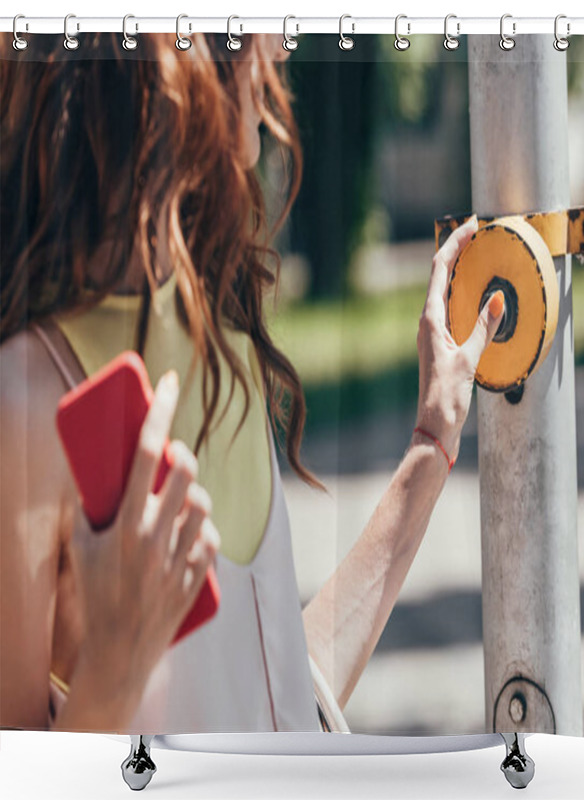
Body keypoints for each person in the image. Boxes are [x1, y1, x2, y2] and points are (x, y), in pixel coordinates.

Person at [0, 32, 506, 734]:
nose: (275, 50)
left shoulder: (226, 344)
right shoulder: (23, 403)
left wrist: (433, 438)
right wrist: (114, 669)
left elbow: (289, 700)